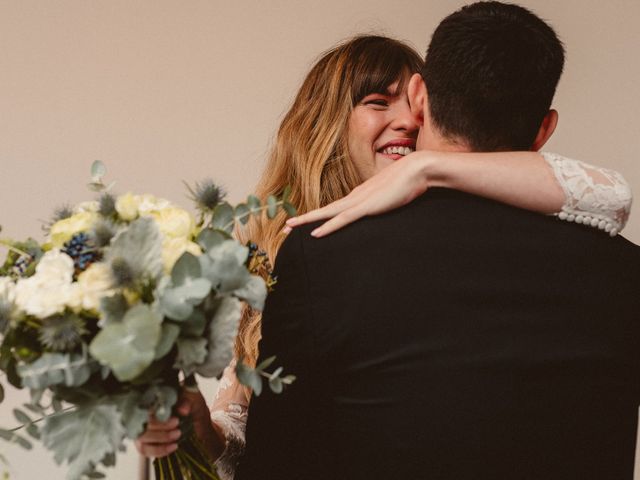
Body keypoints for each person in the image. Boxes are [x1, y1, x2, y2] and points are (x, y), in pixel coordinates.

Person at [136, 28, 635, 479]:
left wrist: (429, 169)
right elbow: (254, 446)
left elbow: (611, 196)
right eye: (378, 102)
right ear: (327, 127)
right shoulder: (279, 255)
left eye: (413, 103)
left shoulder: (407, 241)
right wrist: (195, 427)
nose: (406, 121)